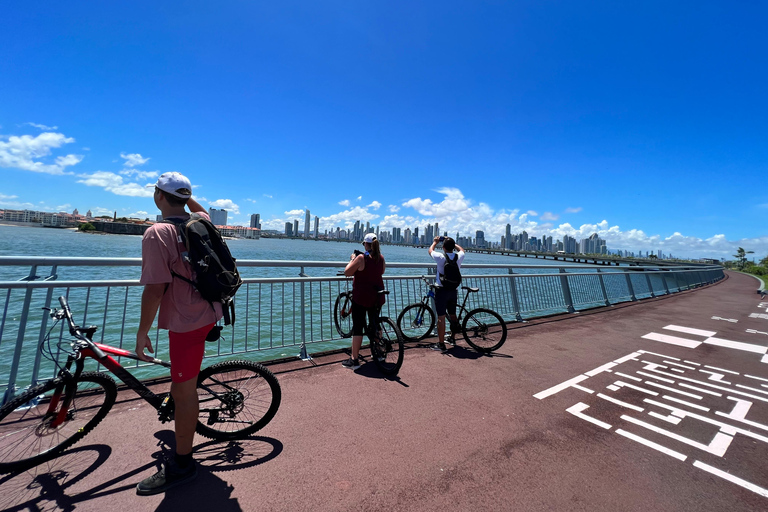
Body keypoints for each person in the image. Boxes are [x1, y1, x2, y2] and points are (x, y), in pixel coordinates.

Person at [134, 172, 223, 496]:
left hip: (186, 322)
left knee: (184, 391)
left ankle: (183, 464)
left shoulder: (158, 233)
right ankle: (180, 393)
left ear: (158, 196)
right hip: (211, 310)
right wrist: (187, 199)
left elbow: (155, 289)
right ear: (186, 198)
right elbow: (202, 212)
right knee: (181, 382)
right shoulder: (200, 222)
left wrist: (143, 332)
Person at [341, 232, 386, 369]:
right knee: (375, 323)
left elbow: (347, 272)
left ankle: (354, 359)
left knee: (358, 327)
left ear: (366, 245)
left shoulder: (361, 258)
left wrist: (352, 259)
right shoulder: (381, 258)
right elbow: (382, 272)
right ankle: (378, 352)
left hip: (362, 297)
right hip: (377, 296)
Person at [428, 236, 465, 352]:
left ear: (443, 247)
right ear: (453, 247)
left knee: (441, 318)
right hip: (453, 290)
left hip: (442, 290)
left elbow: (430, 251)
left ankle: (441, 344)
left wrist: (435, 242)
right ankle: (452, 339)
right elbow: (462, 250)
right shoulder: (458, 257)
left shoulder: (440, 257)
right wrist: (452, 242)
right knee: (453, 315)